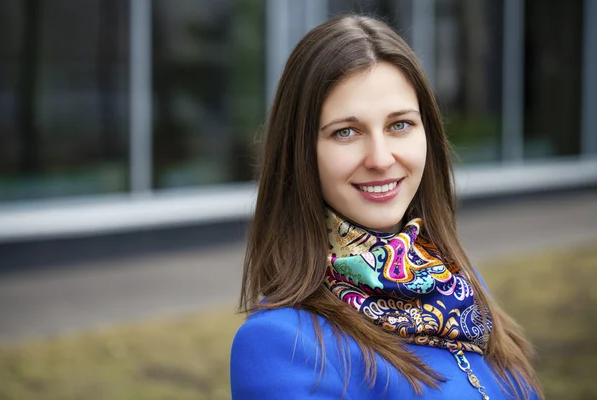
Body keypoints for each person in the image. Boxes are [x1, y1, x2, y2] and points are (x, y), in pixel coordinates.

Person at [230, 14, 543, 400]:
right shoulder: (279, 343)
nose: (380, 158)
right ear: (300, 154)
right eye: (346, 132)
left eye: (400, 125)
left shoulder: (456, 283)